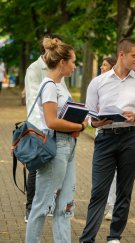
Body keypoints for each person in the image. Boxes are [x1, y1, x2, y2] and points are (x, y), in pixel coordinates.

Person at [80, 37, 135, 243]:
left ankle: (114, 236)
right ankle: (87, 239)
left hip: (132, 138)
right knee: (99, 191)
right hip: (105, 138)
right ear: (121, 55)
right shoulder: (98, 82)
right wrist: (94, 123)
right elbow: (88, 115)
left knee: (124, 190)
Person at [25, 37, 88, 242]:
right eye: (73, 61)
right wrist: (79, 125)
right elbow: (52, 121)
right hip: (56, 146)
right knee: (42, 205)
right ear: (62, 62)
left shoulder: (60, 85)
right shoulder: (50, 85)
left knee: (65, 205)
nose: (74, 66)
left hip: (68, 146)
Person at [23, 34, 66, 223]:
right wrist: (43, 127)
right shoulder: (34, 68)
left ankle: (48, 203)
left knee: (52, 167)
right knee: (36, 167)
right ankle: (30, 208)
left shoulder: (58, 69)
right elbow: (33, 100)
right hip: (39, 126)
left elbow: (62, 96)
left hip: (54, 125)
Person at [98, 56, 118, 221]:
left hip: (118, 132)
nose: (101, 67)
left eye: (104, 65)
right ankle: (104, 204)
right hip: (101, 132)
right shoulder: (97, 83)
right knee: (104, 174)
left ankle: (112, 206)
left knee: (116, 175)